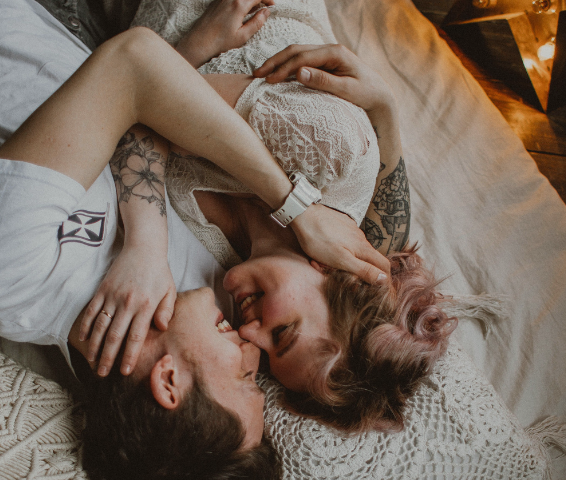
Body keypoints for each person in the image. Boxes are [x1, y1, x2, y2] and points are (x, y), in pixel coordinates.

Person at [0, 0, 385, 480]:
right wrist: (386, 110)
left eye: (242, 379)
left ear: (168, 383)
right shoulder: (206, 295)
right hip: (118, 24)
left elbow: (132, 67)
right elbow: (377, 244)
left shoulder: (3, 279)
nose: (250, 351)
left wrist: (147, 242)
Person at [109, 0, 459, 430]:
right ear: (338, 274)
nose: (249, 337)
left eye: (268, 357)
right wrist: (297, 209)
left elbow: (122, 110)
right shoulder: (333, 149)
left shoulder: (219, 269)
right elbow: (141, 85)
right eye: (283, 334)